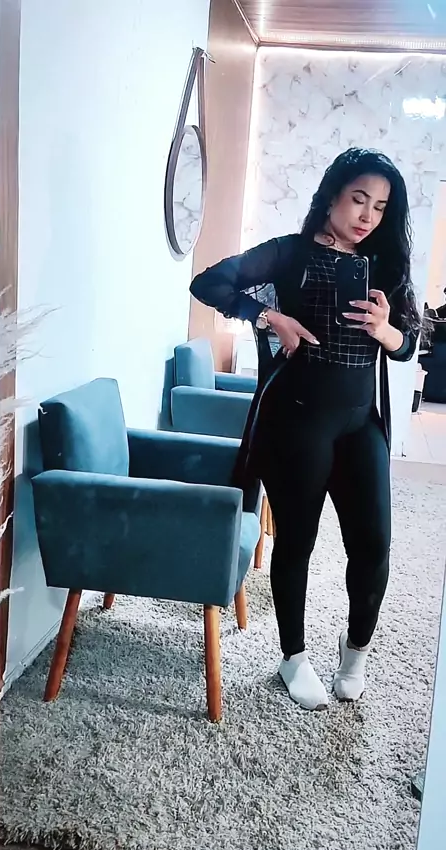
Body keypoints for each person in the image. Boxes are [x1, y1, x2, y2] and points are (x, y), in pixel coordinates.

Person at [190, 148, 421, 711]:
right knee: (297, 542)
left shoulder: (385, 265)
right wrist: (270, 317)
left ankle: (356, 651)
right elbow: (208, 283)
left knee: (375, 545)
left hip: (360, 425)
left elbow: (408, 344)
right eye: (359, 199)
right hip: (298, 423)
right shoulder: (288, 253)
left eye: (380, 207)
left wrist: (386, 330)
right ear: (332, 196)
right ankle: (292, 657)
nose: (367, 216)